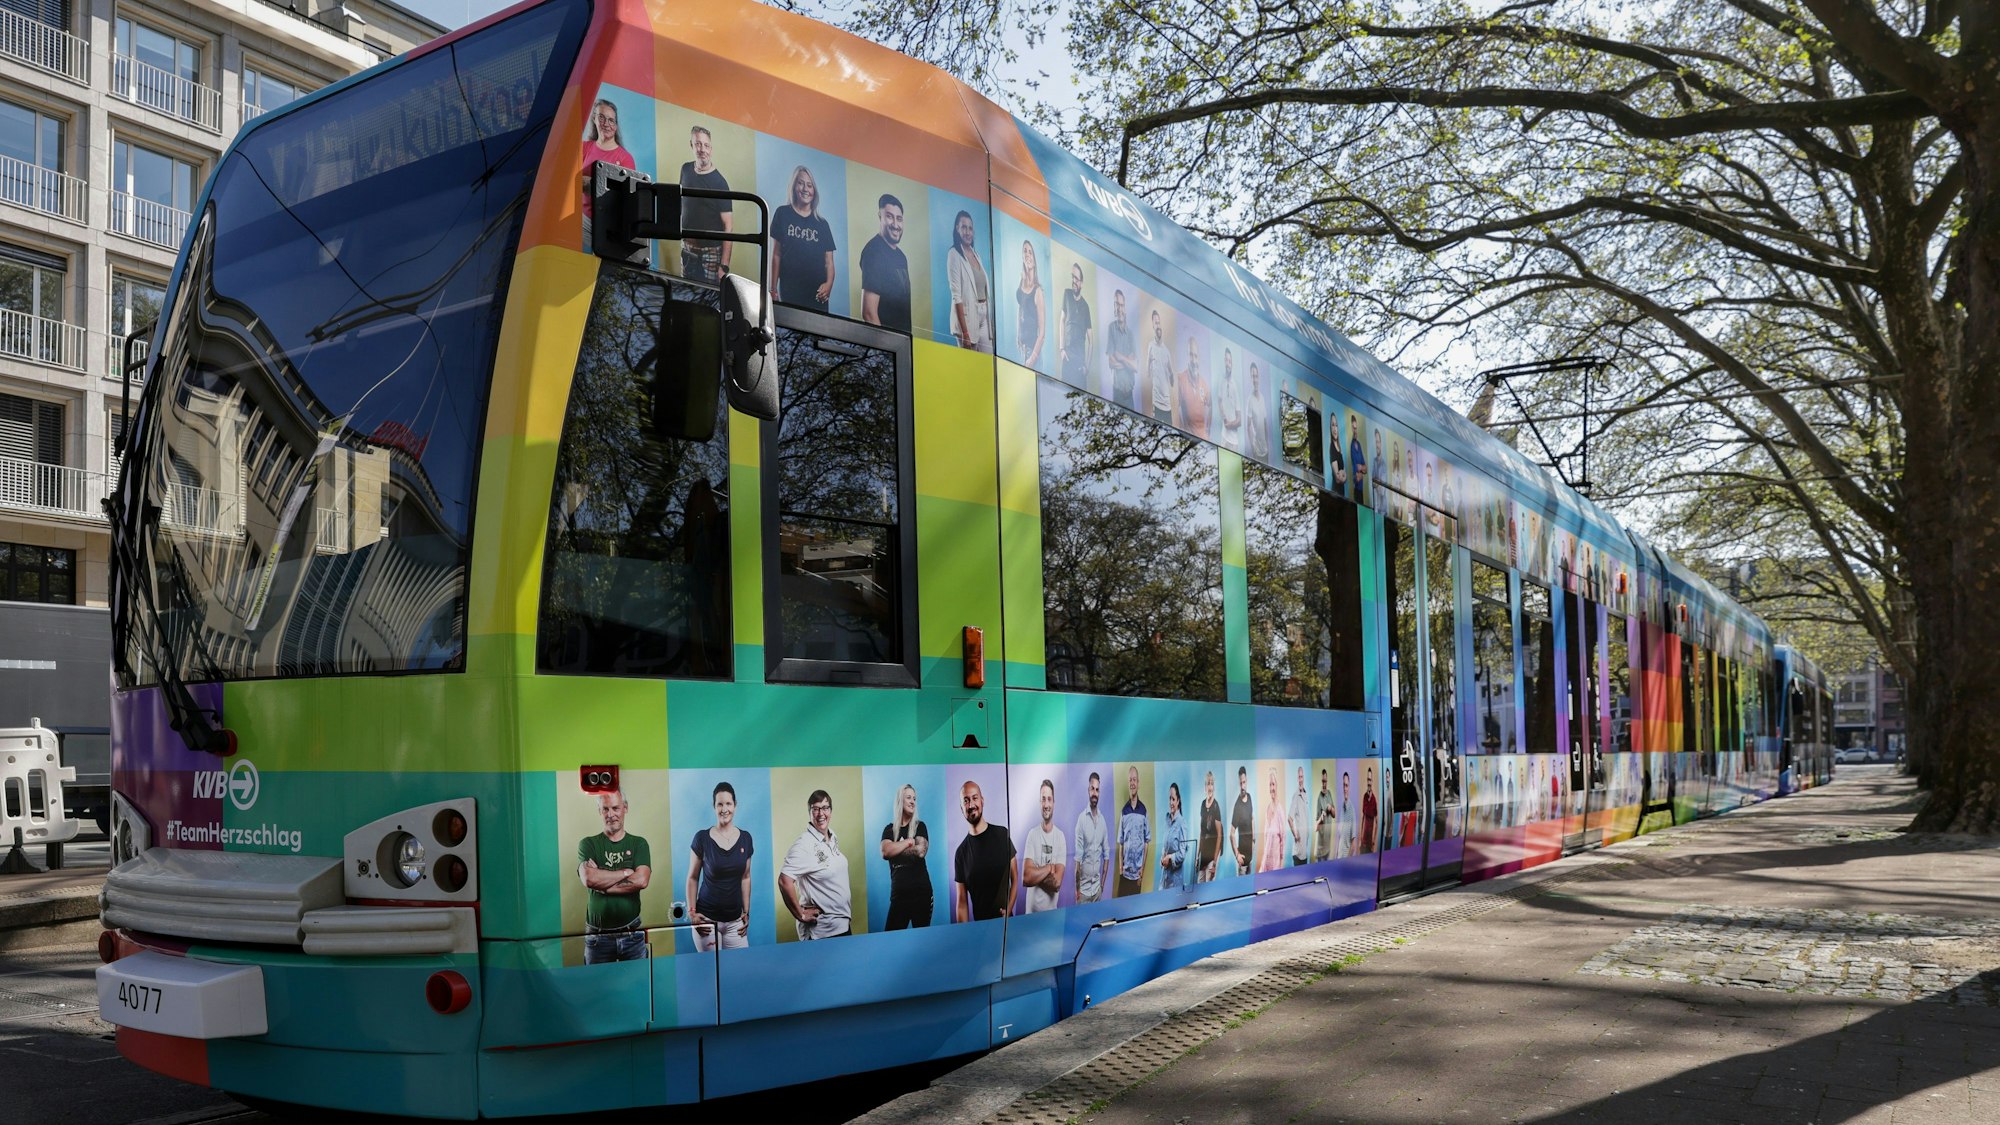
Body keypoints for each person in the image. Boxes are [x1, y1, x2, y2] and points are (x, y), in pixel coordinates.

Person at [578, 789, 650, 963]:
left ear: (625, 808)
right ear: (599, 811)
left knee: (639, 980)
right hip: (597, 938)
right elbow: (589, 879)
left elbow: (641, 880)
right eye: (605, 809)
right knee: (598, 981)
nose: (611, 814)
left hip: (632, 935)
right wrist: (626, 872)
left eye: (615, 808)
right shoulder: (588, 844)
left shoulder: (639, 843)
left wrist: (603, 885)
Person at [687, 781, 752, 951]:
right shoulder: (702, 838)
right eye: (720, 804)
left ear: (735, 805)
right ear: (714, 806)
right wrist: (692, 913)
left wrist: (746, 911)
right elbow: (692, 878)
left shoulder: (746, 838)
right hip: (707, 921)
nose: (724, 809)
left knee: (739, 966)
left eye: (728, 803)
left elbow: (746, 877)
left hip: (735, 922)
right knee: (712, 968)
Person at [780, 789, 851, 940]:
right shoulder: (803, 844)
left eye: (825, 808)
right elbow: (784, 881)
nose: (821, 813)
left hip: (841, 925)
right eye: (815, 809)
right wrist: (800, 914)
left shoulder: (832, 837)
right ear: (809, 812)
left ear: (830, 811)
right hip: (822, 931)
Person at [580, 98, 642, 262]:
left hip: (608, 226)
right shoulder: (584, 148)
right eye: (601, 117)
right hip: (583, 221)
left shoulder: (625, 158)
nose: (606, 124)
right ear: (594, 119)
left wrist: (588, 183)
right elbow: (569, 180)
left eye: (611, 120)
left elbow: (625, 197)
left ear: (616, 125)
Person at [772, 164, 835, 310]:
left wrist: (829, 284)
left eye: (810, 185)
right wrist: (773, 289)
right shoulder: (782, 214)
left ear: (814, 191)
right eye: (801, 183)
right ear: (794, 187)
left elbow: (829, 262)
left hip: (817, 294)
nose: (806, 189)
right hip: (789, 291)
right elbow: (776, 255)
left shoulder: (822, 224)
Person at [954, 780, 1017, 922]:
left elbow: (1015, 878)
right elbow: (962, 902)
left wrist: (1008, 910)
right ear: (961, 808)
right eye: (966, 801)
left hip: (1007, 926)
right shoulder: (961, 853)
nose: (971, 805)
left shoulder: (1002, 834)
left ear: (982, 801)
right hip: (981, 929)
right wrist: (965, 932)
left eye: (975, 798)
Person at [678, 125, 732, 282]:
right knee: (687, 291)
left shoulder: (720, 183)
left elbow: (728, 226)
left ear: (711, 149)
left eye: (706, 145)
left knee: (710, 294)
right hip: (687, 248)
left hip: (711, 252)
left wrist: (724, 265)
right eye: (698, 144)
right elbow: (682, 203)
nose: (702, 149)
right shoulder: (685, 169)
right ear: (691, 145)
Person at [880, 783, 932, 929]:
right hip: (899, 897)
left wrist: (895, 849)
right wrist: (909, 842)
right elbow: (885, 852)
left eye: (914, 798)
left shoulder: (920, 826)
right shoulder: (889, 830)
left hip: (921, 895)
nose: (912, 801)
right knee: (891, 939)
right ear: (900, 801)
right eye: (908, 797)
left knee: (921, 939)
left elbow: (920, 851)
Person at [859, 193, 912, 333]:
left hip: (902, 342)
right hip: (886, 344)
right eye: (889, 217)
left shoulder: (901, 256)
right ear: (880, 217)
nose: (895, 224)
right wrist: (884, 345)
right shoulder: (873, 252)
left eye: (899, 219)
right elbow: (869, 313)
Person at [946, 210, 991, 351]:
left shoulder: (976, 254)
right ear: (957, 229)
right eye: (964, 227)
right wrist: (965, 332)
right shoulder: (954, 254)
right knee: (970, 362)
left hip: (983, 316)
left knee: (987, 360)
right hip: (967, 318)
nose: (967, 232)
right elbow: (956, 296)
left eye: (970, 228)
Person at [1021, 779, 1067, 913]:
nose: (1046, 804)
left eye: (1049, 799)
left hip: (1051, 916)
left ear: (1053, 803)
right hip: (1031, 916)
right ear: (1040, 803)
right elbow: (1026, 878)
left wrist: (1035, 872)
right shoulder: (1032, 834)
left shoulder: (1060, 837)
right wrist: (1048, 868)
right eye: (1043, 799)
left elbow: (1057, 883)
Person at [1073, 771, 1109, 903]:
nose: (1094, 793)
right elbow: (1077, 860)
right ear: (1088, 790)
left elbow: (1106, 854)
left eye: (1097, 790)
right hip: (1083, 893)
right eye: (1092, 789)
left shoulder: (1102, 821)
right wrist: (1077, 890)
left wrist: (1102, 885)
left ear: (1099, 793)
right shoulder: (1081, 820)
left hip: (1097, 892)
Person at [1115, 766, 1150, 897]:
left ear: (1138, 783)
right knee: (1121, 906)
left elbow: (1146, 842)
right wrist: (1120, 870)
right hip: (1125, 874)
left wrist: (1142, 871)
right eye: (1130, 780)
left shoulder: (1144, 811)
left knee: (1135, 906)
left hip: (1137, 876)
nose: (1132, 783)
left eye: (1134, 780)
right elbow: (1121, 843)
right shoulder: (1124, 811)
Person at [1058, 263, 1093, 384]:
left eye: (1077, 279)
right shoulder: (1067, 294)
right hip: (1067, 359)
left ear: (1081, 283)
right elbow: (1062, 320)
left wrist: (1087, 367)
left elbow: (1091, 341)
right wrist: (1061, 349)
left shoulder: (1086, 307)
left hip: (1079, 365)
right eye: (1072, 277)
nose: (1074, 281)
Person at [1105, 289, 1137, 408]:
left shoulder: (1131, 334)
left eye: (1122, 305)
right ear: (1114, 307)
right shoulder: (1111, 328)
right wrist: (1128, 361)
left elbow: (1135, 366)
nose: (1119, 309)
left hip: (1130, 396)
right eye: (1117, 305)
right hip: (1117, 394)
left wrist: (1120, 357)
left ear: (1125, 308)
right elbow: (1111, 362)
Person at [1015, 241, 1045, 366]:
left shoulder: (1037, 291)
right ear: (1022, 256)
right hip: (1023, 351)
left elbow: (1042, 333)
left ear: (1034, 260)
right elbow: (1020, 311)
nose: (1027, 254)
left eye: (1030, 252)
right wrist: (1018, 337)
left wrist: (1032, 359)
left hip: (1033, 354)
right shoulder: (1020, 286)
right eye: (1025, 251)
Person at [1175, 336, 1210, 437]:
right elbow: (1175, 409)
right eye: (1191, 355)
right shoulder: (1180, 379)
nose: (1194, 360)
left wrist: (1208, 430)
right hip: (1188, 440)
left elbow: (1211, 406)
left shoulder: (1204, 384)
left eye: (1195, 356)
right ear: (1187, 356)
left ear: (1199, 358)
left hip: (1204, 440)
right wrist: (1183, 432)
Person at [1144, 309, 1175, 424]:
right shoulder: (1151, 346)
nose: (1158, 326)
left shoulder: (1166, 351)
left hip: (1167, 404)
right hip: (1156, 403)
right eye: (1156, 323)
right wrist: (1149, 363)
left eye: (1159, 322)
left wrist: (1171, 378)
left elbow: (1171, 376)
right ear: (1153, 325)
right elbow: (1147, 374)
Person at [1158, 782, 1188, 891]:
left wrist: (1170, 858)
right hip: (1164, 879)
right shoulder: (1167, 820)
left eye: (1173, 799)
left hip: (1175, 882)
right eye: (1170, 799)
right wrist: (1162, 858)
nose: (1171, 802)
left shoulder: (1182, 823)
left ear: (1178, 801)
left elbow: (1182, 854)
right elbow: (1165, 846)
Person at [1258, 768, 1288, 872]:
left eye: (1273, 784)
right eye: (1270, 785)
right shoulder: (1267, 809)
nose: (1272, 788)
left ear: (1277, 785)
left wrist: (1281, 867)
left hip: (1276, 866)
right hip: (1265, 864)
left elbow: (1283, 841)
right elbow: (1266, 841)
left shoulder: (1280, 811)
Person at [1197, 770, 1222, 883]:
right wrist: (1197, 856)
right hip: (1203, 856)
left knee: (1209, 887)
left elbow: (1219, 835)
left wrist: (1215, 863)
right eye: (1208, 783)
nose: (1210, 787)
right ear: (1205, 787)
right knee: (1199, 884)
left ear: (1214, 787)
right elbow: (1201, 832)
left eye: (1212, 783)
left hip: (1212, 857)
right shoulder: (1203, 804)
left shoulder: (1216, 806)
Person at [1217, 348, 1243, 450]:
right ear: (1224, 361)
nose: (1228, 364)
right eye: (1226, 360)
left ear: (1232, 364)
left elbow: (1239, 420)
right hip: (1223, 437)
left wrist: (1230, 424)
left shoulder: (1235, 386)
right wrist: (1224, 418)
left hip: (1233, 442)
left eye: (1230, 361)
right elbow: (1219, 401)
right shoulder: (1221, 381)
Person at [1231, 766, 1255, 875]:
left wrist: (1253, 840)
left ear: (1247, 781)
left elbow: (1252, 818)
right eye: (1240, 783)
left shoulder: (1249, 797)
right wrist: (1237, 855)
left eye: (1244, 782)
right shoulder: (1238, 806)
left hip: (1251, 859)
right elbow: (1231, 833)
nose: (1242, 786)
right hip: (1243, 864)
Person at [1245, 362, 1270, 461]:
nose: (1255, 379)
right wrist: (1253, 448)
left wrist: (1267, 444)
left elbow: (1265, 423)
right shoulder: (1250, 400)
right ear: (1250, 379)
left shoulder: (1262, 398)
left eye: (1256, 376)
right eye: (1253, 376)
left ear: (1259, 378)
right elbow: (1248, 426)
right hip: (1257, 453)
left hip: (1265, 450)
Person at [1288, 766, 1311, 866]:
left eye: (1302, 777)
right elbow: (1289, 819)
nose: (1300, 779)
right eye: (1299, 777)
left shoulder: (1305, 795)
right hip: (1298, 854)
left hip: (1304, 851)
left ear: (1303, 778)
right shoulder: (1296, 796)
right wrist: (1295, 835)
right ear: (1297, 778)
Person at [1313, 768, 1335, 862]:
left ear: (1327, 781)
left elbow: (1334, 815)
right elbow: (1316, 827)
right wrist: (1321, 819)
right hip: (1320, 849)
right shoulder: (1319, 798)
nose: (1323, 784)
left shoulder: (1329, 794)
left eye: (1325, 781)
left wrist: (1331, 808)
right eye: (1322, 781)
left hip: (1327, 846)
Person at [1349, 412, 1369, 503]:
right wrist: (1361, 469)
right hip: (1356, 487)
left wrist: (1361, 467)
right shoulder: (1352, 446)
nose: (1355, 431)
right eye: (1353, 428)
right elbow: (1356, 474)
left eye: (1356, 428)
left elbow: (1365, 468)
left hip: (1361, 488)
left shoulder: (1359, 445)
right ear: (1351, 428)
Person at [1360, 763, 1379, 854]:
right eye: (1368, 780)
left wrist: (1374, 841)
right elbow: (1363, 818)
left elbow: (1377, 822)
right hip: (1363, 841)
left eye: (1370, 780)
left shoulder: (1374, 800)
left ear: (1372, 781)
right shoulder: (1364, 797)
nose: (1369, 782)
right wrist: (1360, 837)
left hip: (1370, 843)